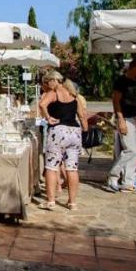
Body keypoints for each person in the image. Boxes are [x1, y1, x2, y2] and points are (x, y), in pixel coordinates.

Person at [38, 70, 88, 210]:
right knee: (72, 168)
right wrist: (85, 130)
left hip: (58, 132)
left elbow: (42, 104)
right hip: (75, 133)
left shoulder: (53, 93)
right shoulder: (74, 95)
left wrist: (48, 118)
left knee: (51, 167)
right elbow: (82, 115)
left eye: (47, 82)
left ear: (54, 80)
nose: (47, 85)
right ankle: (72, 203)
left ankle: (51, 201)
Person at [106, 58, 136, 193]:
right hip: (126, 118)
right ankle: (113, 176)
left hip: (135, 118)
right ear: (135, 67)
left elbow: (132, 100)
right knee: (129, 150)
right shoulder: (121, 82)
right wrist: (121, 119)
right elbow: (116, 101)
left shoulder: (135, 82)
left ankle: (128, 181)